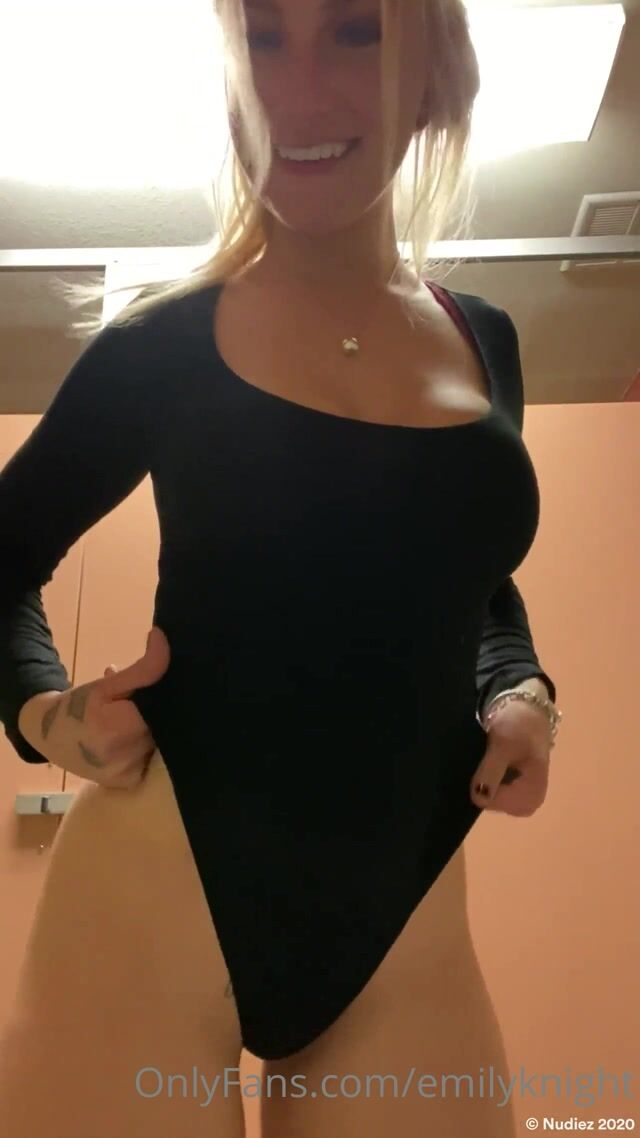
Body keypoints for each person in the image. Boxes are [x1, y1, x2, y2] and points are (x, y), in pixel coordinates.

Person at [0, 0, 561, 1135]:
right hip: (161, 879)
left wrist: (522, 687)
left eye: (354, 31)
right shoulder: (161, 343)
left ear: (436, 75)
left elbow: (469, 572)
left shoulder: (484, 338)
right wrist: (45, 715)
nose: (296, 91)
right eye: (263, 37)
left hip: (407, 906)